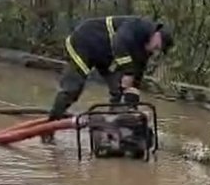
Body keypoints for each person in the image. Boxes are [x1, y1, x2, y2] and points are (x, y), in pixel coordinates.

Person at [42, 15, 173, 142]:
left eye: (158, 51)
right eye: (158, 47)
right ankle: (49, 128)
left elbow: (136, 78)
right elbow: (119, 43)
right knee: (72, 89)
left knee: (117, 89)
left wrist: (132, 105)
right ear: (157, 34)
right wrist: (128, 72)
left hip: (104, 54)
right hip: (84, 42)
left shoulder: (144, 50)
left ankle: (114, 129)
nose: (156, 51)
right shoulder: (137, 26)